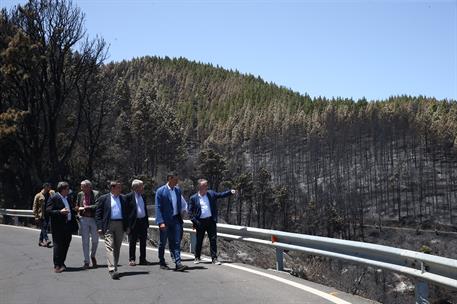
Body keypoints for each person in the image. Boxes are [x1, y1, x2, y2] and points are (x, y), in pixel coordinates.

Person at [188, 179, 236, 265]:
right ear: (200, 187)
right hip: (200, 222)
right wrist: (195, 221)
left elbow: (221, 195)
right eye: (205, 185)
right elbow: (190, 212)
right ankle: (197, 257)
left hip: (210, 221)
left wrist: (230, 192)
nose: (207, 187)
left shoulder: (211, 194)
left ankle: (214, 258)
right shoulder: (193, 198)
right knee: (199, 240)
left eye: (207, 185)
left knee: (213, 240)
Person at [96, 181, 133, 279]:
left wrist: (128, 226)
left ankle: (114, 266)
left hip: (120, 224)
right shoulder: (104, 199)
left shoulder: (123, 198)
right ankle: (112, 269)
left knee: (117, 247)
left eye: (121, 187)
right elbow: (98, 214)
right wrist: (99, 227)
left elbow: (127, 214)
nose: (120, 189)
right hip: (108, 224)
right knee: (110, 246)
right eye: (118, 187)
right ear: (112, 188)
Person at [155, 172, 187, 271]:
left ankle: (178, 263)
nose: (177, 182)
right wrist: (161, 222)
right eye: (175, 180)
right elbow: (158, 207)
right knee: (163, 242)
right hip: (165, 221)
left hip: (176, 219)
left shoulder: (177, 190)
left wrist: (183, 211)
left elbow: (180, 203)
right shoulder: (160, 191)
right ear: (169, 179)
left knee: (176, 242)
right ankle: (162, 261)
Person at [46, 181, 78, 273]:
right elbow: (48, 211)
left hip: (68, 225)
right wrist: (60, 212)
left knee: (66, 245)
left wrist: (74, 210)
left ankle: (62, 263)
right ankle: (57, 265)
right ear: (63, 189)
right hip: (58, 226)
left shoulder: (67, 198)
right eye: (67, 189)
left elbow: (69, 209)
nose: (69, 191)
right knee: (58, 245)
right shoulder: (54, 197)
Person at [124, 179, 152, 266]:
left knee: (143, 241)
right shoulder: (128, 197)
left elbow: (144, 209)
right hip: (133, 222)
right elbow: (125, 212)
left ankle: (143, 259)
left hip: (142, 221)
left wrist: (147, 222)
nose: (143, 188)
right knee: (132, 241)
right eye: (141, 186)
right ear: (135, 187)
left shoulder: (143, 196)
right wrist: (127, 225)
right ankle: (132, 259)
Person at [75, 180, 100, 269]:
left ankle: (92, 255)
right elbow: (77, 205)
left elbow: (98, 205)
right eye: (81, 187)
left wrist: (87, 207)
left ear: (89, 186)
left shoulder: (96, 194)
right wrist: (78, 209)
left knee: (95, 240)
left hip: (93, 219)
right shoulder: (80, 194)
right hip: (83, 219)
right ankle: (86, 261)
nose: (81, 189)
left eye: (83, 187)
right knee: (85, 241)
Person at [32, 182, 54, 248]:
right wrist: (36, 216)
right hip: (41, 214)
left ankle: (40, 241)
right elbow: (35, 206)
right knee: (44, 227)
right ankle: (47, 240)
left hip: (48, 214)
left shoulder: (50, 194)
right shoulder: (38, 195)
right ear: (45, 187)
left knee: (44, 228)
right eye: (49, 187)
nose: (50, 188)